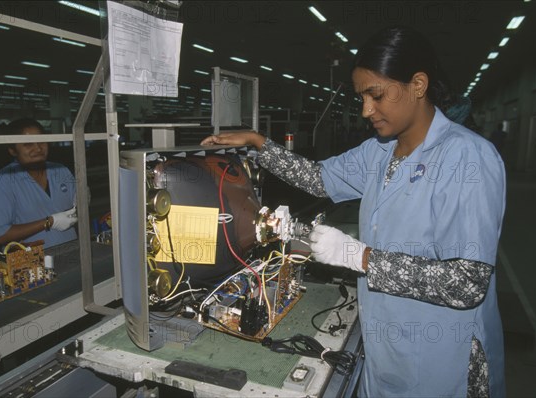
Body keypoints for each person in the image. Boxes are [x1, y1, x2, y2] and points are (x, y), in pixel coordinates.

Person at [202, 26, 505, 397]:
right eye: (361, 97)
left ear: (418, 84)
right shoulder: (380, 151)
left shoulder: (467, 157)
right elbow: (319, 178)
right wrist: (259, 144)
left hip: (444, 356)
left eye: (375, 95)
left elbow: (467, 282)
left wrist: (357, 256)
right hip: (388, 349)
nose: (366, 110)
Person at [0, 118, 78, 248]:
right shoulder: (1, 183)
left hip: (73, 250)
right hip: (33, 262)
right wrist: (49, 222)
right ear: (12, 150)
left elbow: (76, 206)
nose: (38, 148)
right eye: (28, 144)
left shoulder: (61, 171)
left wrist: (83, 197)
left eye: (41, 141)